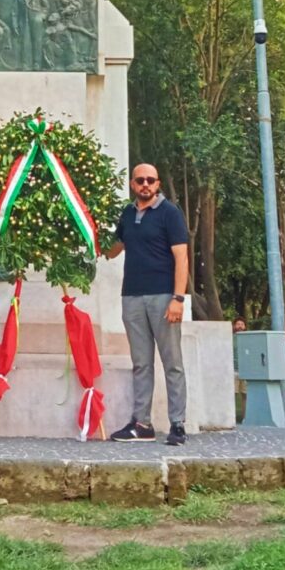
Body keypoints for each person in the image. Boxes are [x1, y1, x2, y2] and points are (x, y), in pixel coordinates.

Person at [107, 164, 190, 446]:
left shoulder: (170, 213)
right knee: (141, 363)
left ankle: (177, 424)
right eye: (140, 180)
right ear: (132, 184)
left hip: (163, 297)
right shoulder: (128, 214)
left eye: (151, 180)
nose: (146, 184)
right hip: (131, 296)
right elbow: (113, 248)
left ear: (157, 183)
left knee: (172, 363)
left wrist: (178, 298)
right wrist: (89, 229)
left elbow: (182, 257)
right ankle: (142, 424)